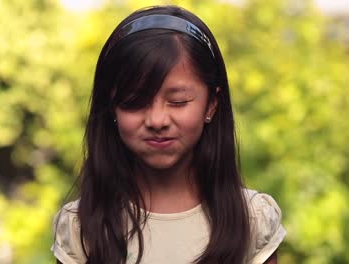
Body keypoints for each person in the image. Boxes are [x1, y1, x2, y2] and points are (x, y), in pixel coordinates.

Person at [52, 5, 286, 264]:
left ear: (211, 104)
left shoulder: (251, 220)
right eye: (135, 101)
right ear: (112, 106)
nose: (157, 120)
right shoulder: (82, 226)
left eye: (178, 101)